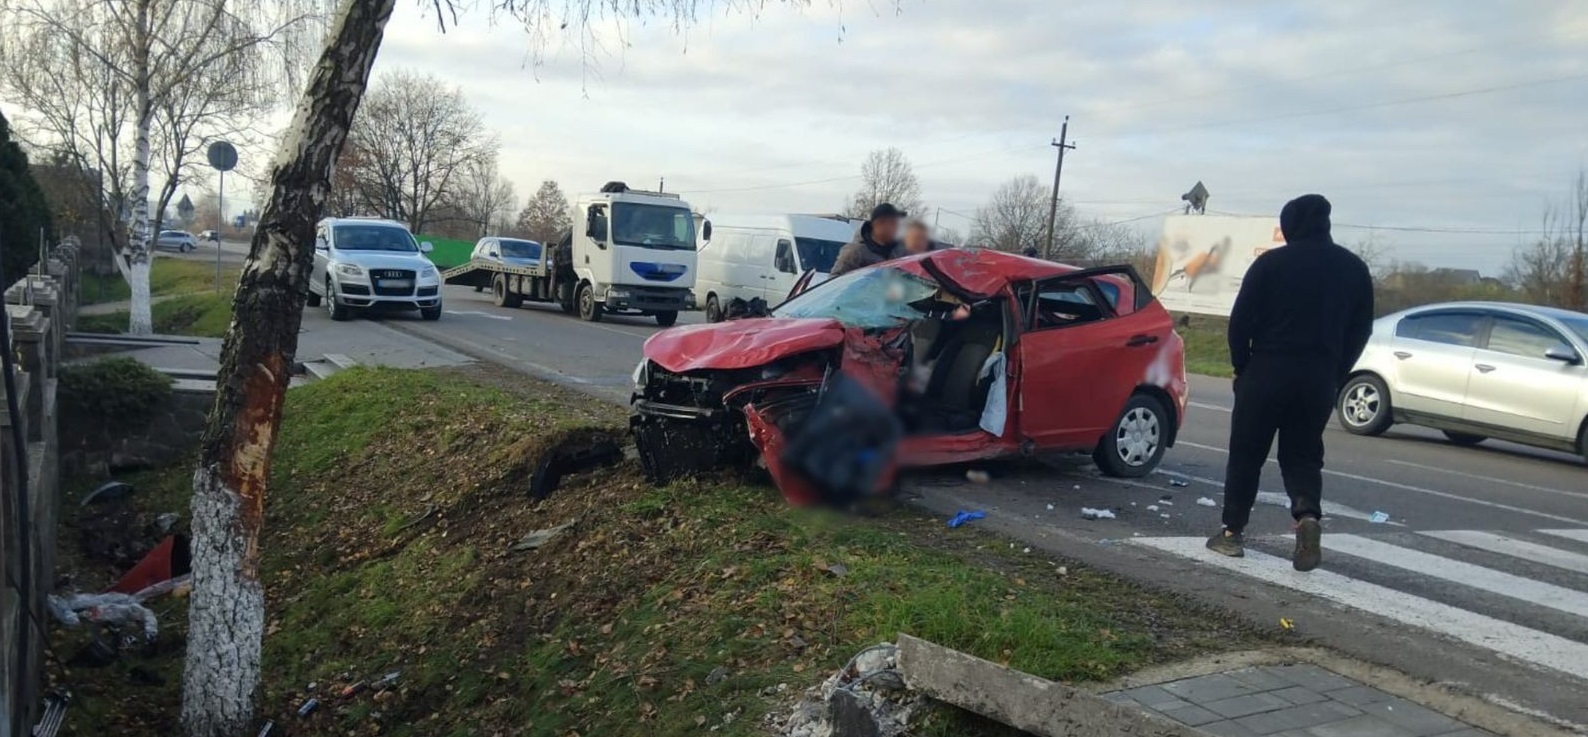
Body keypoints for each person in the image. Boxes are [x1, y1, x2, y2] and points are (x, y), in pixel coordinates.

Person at [1206, 194, 1373, 572]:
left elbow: (1241, 321)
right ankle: (1307, 515)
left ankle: (1232, 533)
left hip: (1266, 371)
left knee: (1247, 453)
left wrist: (1241, 366)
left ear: (1290, 225)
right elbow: (1360, 330)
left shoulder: (1271, 264)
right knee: (1303, 454)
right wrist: (1335, 372)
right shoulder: (1354, 269)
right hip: (1318, 378)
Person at [830, 203, 906, 276]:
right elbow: (835, 280)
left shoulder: (901, 251)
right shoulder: (855, 253)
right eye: (893, 223)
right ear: (879, 224)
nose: (897, 228)